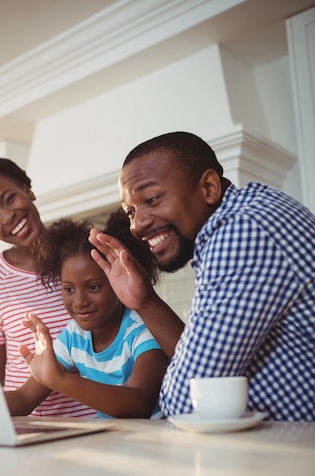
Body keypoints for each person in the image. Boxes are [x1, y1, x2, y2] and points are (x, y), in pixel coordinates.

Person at [89, 131, 315, 422]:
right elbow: (204, 373)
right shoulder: (248, 214)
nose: (138, 224)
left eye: (152, 199)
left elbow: (187, 402)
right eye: (130, 211)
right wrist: (144, 301)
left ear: (209, 187)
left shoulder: (243, 232)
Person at [0, 156, 96, 418]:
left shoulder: (84, 255)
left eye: (9, 199)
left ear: (27, 189)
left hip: (96, 419)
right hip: (31, 425)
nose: (8, 217)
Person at [4, 213, 167, 419]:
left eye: (93, 287)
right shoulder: (74, 336)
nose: (80, 301)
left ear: (119, 281)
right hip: (113, 442)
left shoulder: (142, 330)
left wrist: (59, 379)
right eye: (68, 289)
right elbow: (24, 398)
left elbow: (140, 404)